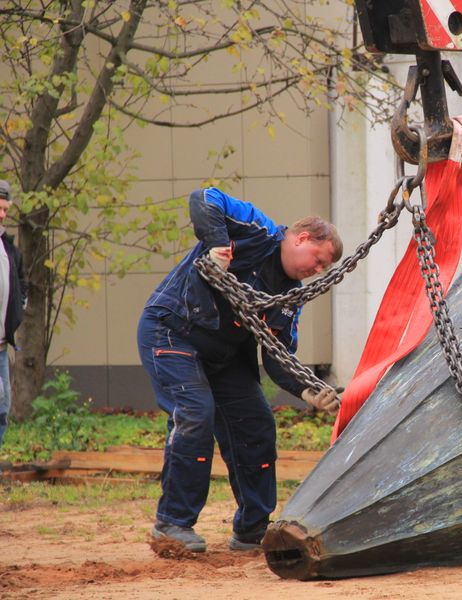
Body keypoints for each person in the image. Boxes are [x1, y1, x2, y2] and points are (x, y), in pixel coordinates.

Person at [137, 187, 343, 552]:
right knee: (195, 413)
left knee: (257, 426)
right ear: (302, 238)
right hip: (173, 330)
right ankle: (172, 525)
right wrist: (216, 245)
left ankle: (251, 532)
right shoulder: (257, 231)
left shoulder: (289, 296)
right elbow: (205, 198)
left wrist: (307, 391)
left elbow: (278, 354)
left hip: (225, 356)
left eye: (324, 268)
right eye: (319, 259)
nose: (318, 271)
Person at [0, 180, 26, 450]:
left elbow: (21, 279)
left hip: (1, 344)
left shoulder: (7, 248)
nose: (2, 214)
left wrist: (20, 306)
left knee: (2, 408)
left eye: (6, 209)